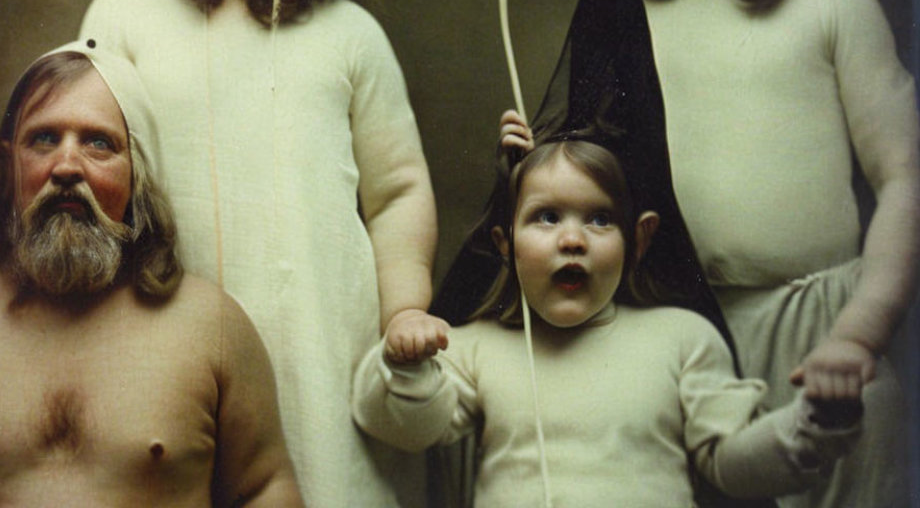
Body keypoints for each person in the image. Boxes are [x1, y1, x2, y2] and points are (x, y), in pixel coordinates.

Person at [78, 0, 440, 506]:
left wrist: (404, 305)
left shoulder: (347, 32)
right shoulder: (127, 10)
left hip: (319, 338)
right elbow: (91, 173)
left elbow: (399, 190)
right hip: (169, 333)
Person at [625, 0, 920, 508]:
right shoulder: (638, 15)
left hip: (822, 341)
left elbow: (904, 178)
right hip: (686, 343)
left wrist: (860, 333)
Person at [356, 136, 863, 508]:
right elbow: (406, 430)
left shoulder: (681, 338)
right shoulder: (474, 348)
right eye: (547, 217)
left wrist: (812, 423)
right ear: (505, 245)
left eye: (599, 218)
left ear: (638, 240)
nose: (573, 239)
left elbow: (732, 464)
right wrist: (408, 367)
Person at [0, 40, 303, 507]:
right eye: (43, 139)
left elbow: (265, 488)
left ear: (136, 172)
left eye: (98, 143)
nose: (66, 165)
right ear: (11, 163)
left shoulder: (212, 326)